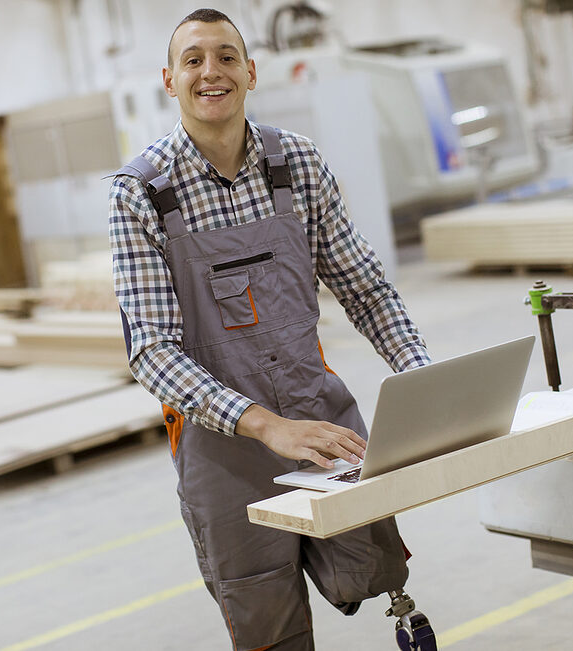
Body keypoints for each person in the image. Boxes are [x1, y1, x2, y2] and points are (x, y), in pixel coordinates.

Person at [108, 9, 433, 650]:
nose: (212, 72)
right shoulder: (139, 193)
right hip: (224, 453)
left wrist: (424, 378)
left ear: (251, 72)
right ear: (169, 80)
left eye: (227, 56)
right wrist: (266, 425)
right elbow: (149, 350)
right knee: (270, 629)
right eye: (194, 59)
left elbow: (364, 288)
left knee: (369, 571)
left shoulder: (298, 165)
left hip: (321, 422)